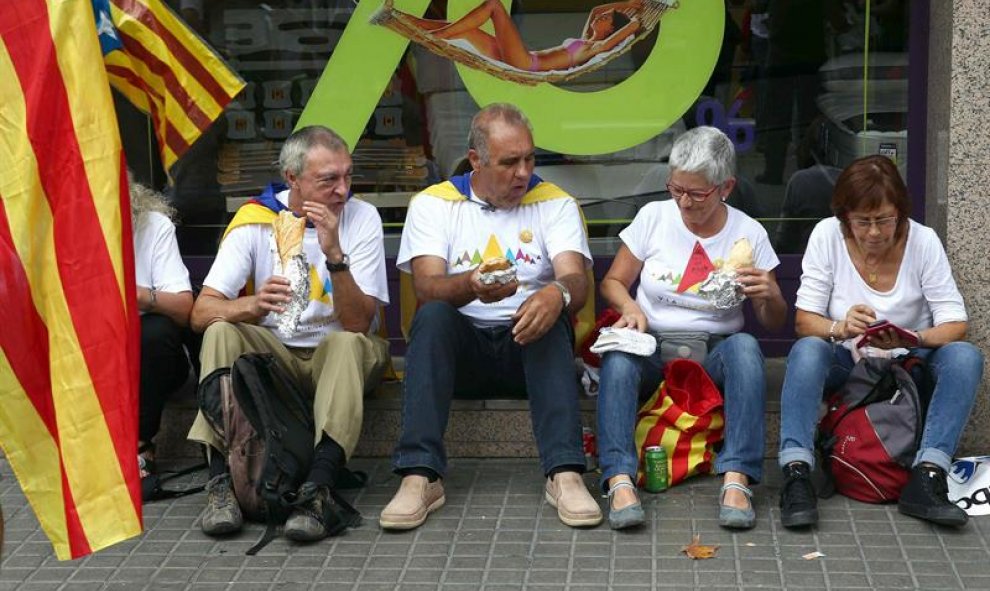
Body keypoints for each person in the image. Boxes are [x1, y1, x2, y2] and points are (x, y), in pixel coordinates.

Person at [380, 103, 602, 530]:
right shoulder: (435, 204)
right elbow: (426, 285)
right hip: (462, 359)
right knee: (434, 317)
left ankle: (566, 473)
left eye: (529, 158)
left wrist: (556, 292)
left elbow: (576, 280)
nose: (523, 173)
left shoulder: (554, 204)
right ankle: (418, 475)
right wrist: (472, 286)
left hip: (530, 355)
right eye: (509, 162)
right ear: (476, 160)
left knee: (551, 310)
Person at [186, 125, 391, 542]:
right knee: (220, 331)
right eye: (328, 179)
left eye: (348, 176)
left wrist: (335, 255)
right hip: (276, 355)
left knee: (346, 342)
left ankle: (319, 489)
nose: (342, 189)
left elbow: (358, 323)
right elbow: (200, 312)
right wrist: (250, 306)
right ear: (292, 178)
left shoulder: (361, 216)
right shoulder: (256, 220)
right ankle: (220, 482)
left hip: (341, 359)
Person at [777, 155, 984, 528]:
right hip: (849, 363)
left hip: (907, 367)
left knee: (964, 357)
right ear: (845, 218)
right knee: (807, 350)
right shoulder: (827, 235)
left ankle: (928, 475)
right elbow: (804, 321)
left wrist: (913, 337)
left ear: (900, 214)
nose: (874, 232)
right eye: (862, 222)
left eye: (884, 220)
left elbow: (955, 323)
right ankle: (796, 472)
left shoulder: (923, 241)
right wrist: (840, 327)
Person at [596, 126, 787, 530]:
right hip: (652, 345)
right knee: (617, 358)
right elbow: (612, 282)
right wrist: (630, 307)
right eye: (676, 189)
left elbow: (775, 321)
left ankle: (737, 477)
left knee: (747, 348)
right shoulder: (653, 217)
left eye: (697, 194)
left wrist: (768, 294)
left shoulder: (749, 232)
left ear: (726, 187)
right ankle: (618, 478)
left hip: (713, 355)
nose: (684, 202)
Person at [130, 179, 194, 500]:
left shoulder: (153, 226)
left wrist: (139, 296)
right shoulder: (64, 232)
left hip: (152, 361)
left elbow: (184, 309)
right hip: (96, 360)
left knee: (154, 332)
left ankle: (141, 447)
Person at [379, 0, 641, 72]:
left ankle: (437, 36)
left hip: (526, 63)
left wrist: (634, 20)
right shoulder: (585, 40)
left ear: (609, 30)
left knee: (494, 5)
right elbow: (596, 8)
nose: (598, 17)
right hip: (518, 58)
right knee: (458, 26)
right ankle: (395, 17)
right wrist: (625, 2)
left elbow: (623, 34)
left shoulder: (595, 47)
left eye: (605, 19)